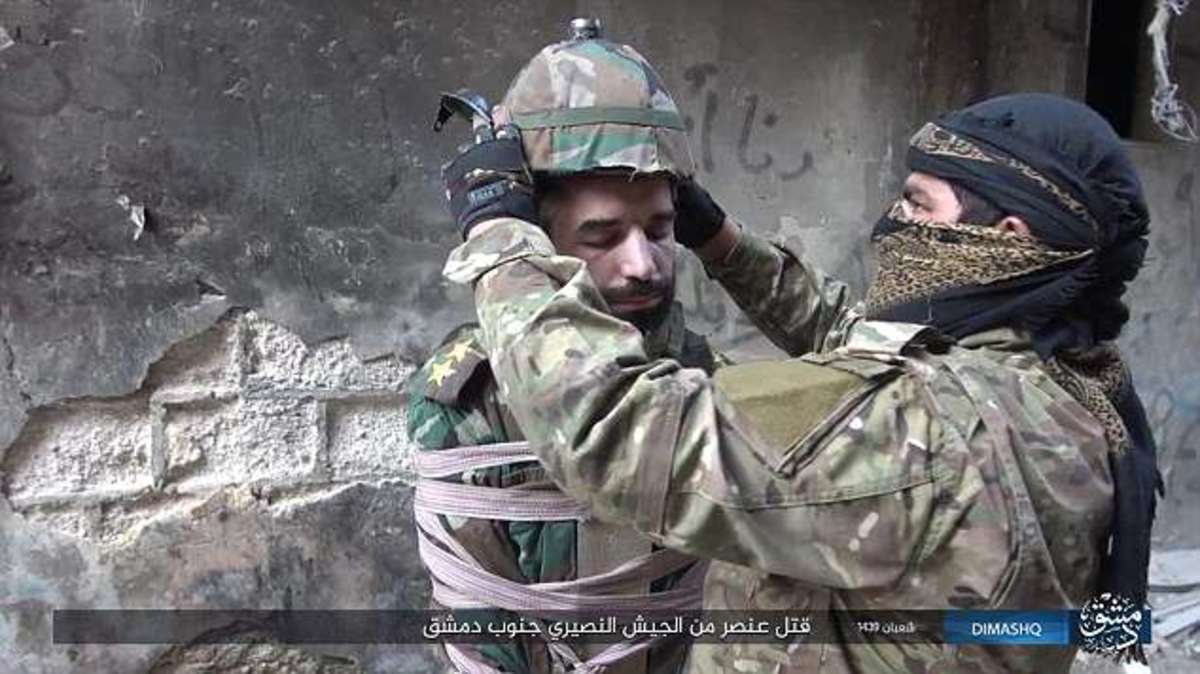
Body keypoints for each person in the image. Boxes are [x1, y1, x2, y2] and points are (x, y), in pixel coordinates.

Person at [441, 93, 1161, 673]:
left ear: (1005, 239)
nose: (894, 223)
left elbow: (613, 430)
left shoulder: (931, 431)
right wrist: (719, 239)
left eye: (918, 205)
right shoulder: (1065, 389)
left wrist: (500, 238)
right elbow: (868, 344)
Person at [407, 21, 724, 674]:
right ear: (537, 241)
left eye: (660, 229)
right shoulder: (471, 403)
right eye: (601, 237)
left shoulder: (700, 370)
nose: (642, 265)